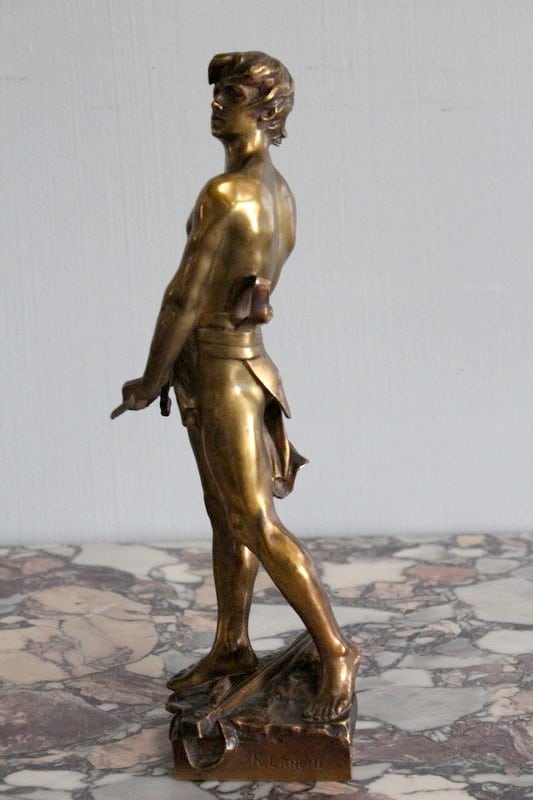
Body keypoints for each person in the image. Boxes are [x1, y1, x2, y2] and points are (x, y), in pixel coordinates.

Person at [115, 52, 359, 721]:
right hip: (239, 364)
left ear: (267, 109)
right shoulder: (279, 191)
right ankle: (231, 646)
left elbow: (183, 297)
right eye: (217, 93)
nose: (216, 105)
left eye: (232, 95)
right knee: (227, 516)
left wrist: (149, 379)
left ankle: (336, 650)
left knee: (253, 521)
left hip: (222, 369)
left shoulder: (226, 194)